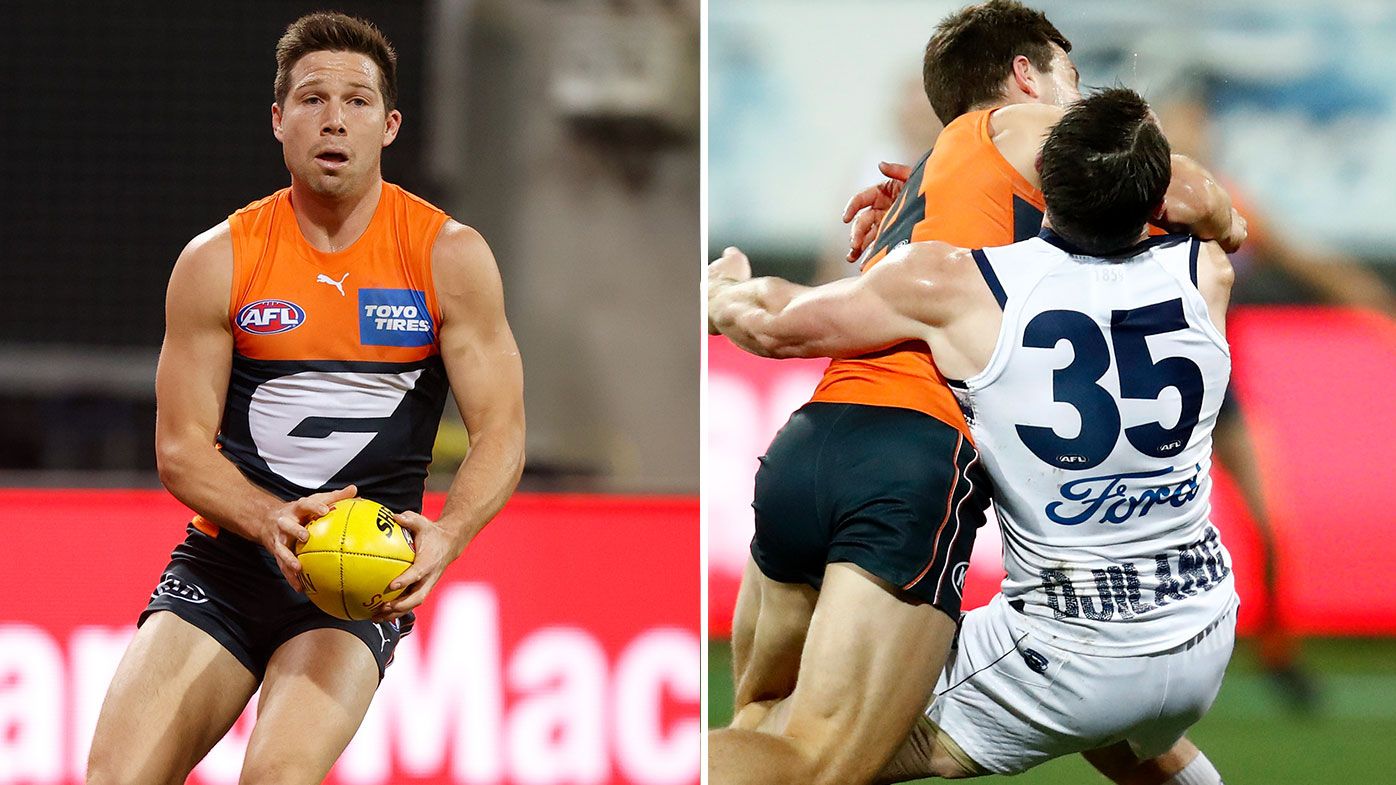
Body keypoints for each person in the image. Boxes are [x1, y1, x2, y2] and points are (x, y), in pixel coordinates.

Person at [707, 4, 1239, 785]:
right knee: (811, 761)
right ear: (1025, 80)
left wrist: (720, 290)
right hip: (917, 462)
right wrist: (1228, 216)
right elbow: (1184, 190)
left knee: (764, 726)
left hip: (813, 438)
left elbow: (783, 323)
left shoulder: (959, 239)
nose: (1074, 103)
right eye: (1072, 79)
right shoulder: (1202, 275)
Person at [85, 13, 525, 785]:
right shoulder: (219, 259)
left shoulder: (447, 256)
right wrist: (265, 519)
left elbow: (501, 431)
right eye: (313, 99)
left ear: (389, 126)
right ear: (278, 121)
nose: (334, 120)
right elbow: (181, 447)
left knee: (276, 776)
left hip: (355, 585)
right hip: (225, 565)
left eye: (357, 102)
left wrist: (450, 533)